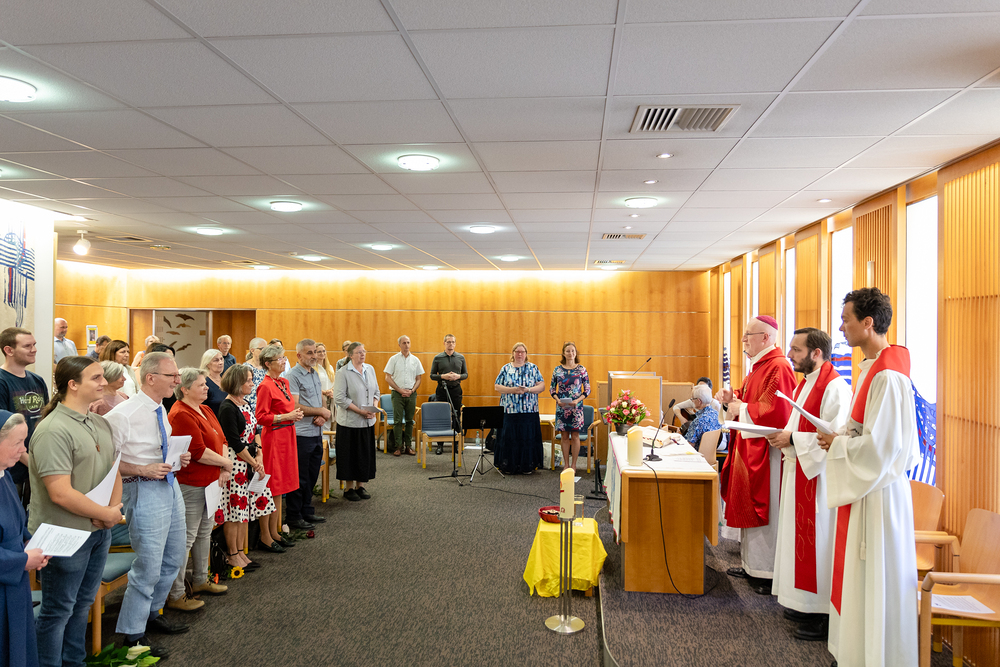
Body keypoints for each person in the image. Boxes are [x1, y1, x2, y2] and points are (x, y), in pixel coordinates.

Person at [817, 288, 919, 667]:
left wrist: (839, 444)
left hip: (879, 493)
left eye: (846, 319)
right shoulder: (873, 368)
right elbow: (865, 433)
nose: (841, 327)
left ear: (868, 322)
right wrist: (841, 437)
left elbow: (883, 448)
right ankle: (857, 653)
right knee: (861, 578)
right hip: (867, 488)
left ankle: (876, 656)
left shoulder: (888, 376)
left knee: (874, 576)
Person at [29, 357, 123, 667]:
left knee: (82, 604)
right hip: (64, 532)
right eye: (96, 378)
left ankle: (74, 662)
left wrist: (111, 511)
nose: (103, 383)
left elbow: (113, 470)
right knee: (58, 610)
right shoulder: (52, 429)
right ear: (72, 385)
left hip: (98, 530)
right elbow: (60, 492)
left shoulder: (99, 422)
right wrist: (104, 514)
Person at [765, 328, 852, 643]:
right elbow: (797, 425)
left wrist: (792, 439)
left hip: (820, 481)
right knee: (797, 542)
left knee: (820, 544)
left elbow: (834, 437)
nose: (790, 355)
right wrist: (784, 437)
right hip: (799, 471)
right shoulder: (807, 383)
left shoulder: (835, 387)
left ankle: (822, 613)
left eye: (796, 350)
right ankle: (803, 602)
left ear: (817, 353)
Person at [104, 352, 192, 657]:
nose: (178, 381)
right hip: (142, 488)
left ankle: (152, 613)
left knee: (175, 555)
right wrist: (142, 468)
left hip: (168, 484)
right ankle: (132, 635)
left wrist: (178, 458)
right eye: (172, 376)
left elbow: (158, 449)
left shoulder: (159, 408)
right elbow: (105, 462)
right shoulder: (122, 414)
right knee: (149, 565)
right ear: (151, 378)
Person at [717, 315, 796, 595]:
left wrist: (741, 407)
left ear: (765, 337)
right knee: (749, 507)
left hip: (767, 452)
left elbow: (776, 411)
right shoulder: (759, 365)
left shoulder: (779, 367)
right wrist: (733, 397)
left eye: (748, 335)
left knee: (765, 511)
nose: (743, 340)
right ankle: (751, 565)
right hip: (750, 446)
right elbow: (750, 396)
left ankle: (767, 572)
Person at [165, 368, 232, 611]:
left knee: (205, 532)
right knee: (186, 538)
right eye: (201, 385)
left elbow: (222, 440)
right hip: (191, 483)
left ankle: (201, 579)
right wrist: (226, 463)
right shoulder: (180, 413)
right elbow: (198, 452)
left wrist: (224, 467)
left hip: (211, 480)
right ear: (184, 389)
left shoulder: (205, 409)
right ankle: (176, 593)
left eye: (206, 384)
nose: (206, 388)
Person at [0, 411, 48, 667]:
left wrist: (29, 542)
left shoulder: (4, 474)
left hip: (15, 583)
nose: (23, 450)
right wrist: (22, 560)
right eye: (17, 442)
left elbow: (16, 520)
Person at [219, 364, 272, 569]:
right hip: (236, 464)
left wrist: (259, 453)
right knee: (235, 512)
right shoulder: (227, 407)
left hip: (250, 460)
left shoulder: (245, 402)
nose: (252, 383)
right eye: (248, 380)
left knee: (244, 512)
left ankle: (242, 552)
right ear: (237, 383)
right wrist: (254, 462)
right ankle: (233, 554)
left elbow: (256, 430)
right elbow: (234, 442)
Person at [255, 344, 303, 551]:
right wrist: (286, 416)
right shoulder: (265, 386)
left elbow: (288, 408)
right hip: (274, 438)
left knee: (281, 487)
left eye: (284, 358)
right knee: (271, 486)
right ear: (268, 364)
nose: (284, 362)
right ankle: (265, 535)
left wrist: (294, 415)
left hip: (287, 435)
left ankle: (275, 531)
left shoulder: (283, 381)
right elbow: (260, 417)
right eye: (280, 359)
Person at [282, 339, 329, 531]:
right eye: (309, 353)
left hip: (316, 431)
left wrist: (322, 414)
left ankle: (306, 509)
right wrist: (320, 411)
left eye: (315, 352)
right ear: (299, 355)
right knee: (300, 477)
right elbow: (293, 405)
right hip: (301, 434)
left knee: (311, 474)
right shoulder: (293, 375)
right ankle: (294, 515)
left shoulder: (314, 373)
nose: (314, 356)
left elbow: (321, 398)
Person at [0, 327, 49, 498]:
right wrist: (32, 464)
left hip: (35, 463)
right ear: (9, 350)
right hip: (11, 469)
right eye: (27, 346)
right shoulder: (2, 381)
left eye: (34, 344)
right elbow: (5, 431)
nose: (34, 349)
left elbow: (46, 419)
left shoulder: (37, 380)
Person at [332, 342, 378, 501]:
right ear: (350, 355)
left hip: (367, 421)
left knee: (364, 455)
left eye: (364, 351)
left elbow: (376, 392)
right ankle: (349, 488)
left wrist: (373, 408)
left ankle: (361, 486)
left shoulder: (370, 369)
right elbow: (339, 398)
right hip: (350, 423)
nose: (362, 354)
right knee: (350, 455)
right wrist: (360, 411)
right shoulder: (343, 372)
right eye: (359, 352)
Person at [493, 342, 544, 475]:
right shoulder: (506, 368)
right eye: (517, 352)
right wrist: (513, 390)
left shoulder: (533, 368)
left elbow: (542, 386)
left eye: (522, 352)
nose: (520, 354)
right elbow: (497, 386)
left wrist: (528, 389)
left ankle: (527, 466)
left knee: (527, 438)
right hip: (509, 410)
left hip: (529, 410)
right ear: (513, 353)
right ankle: (509, 466)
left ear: (526, 354)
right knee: (509, 439)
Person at [549, 342, 590, 471]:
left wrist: (577, 400)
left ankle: (574, 465)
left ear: (576, 353)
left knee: (575, 436)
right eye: (568, 351)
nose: (571, 353)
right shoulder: (557, 370)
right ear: (563, 353)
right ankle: (566, 464)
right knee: (564, 436)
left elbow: (587, 390)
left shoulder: (581, 369)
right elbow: (552, 389)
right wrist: (557, 400)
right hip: (562, 408)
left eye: (573, 351)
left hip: (576, 408)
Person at [383, 335, 423, 457]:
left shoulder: (415, 360)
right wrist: (399, 390)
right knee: (398, 421)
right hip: (397, 394)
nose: (406, 345)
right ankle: (398, 446)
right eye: (404, 343)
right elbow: (387, 377)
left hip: (411, 394)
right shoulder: (393, 359)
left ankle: (408, 446)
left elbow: (419, 379)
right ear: (399, 345)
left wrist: (412, 390)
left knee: (410, 420)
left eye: (408, 342)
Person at [429, 334, 467, 450]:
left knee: (456, 415)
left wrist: (458, 376)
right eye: (448, 342)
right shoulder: (438, 358)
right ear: (444, 343)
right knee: (441, 417)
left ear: (455, 344)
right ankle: (440, 445)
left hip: (456, 390)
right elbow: (432, 375)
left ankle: (456, 444)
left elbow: (465, 374)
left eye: (453, 342)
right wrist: (443, 376)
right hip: (442, 390)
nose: (451, 344)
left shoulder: (460, 357)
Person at [683, 383, 723, 449]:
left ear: (699, 401)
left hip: (697, 454)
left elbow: (689, 446)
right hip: (711, 453)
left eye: (693, 398)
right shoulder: (717, 414)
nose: (692, 401)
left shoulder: (698, 421)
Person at [199, 349, 227, 417]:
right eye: (216, 360)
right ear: (207, 364)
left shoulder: (226, 380)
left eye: (221, 359)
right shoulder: (204, 383)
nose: (220, 362)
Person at [314, 342, 336, 431]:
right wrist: (324, 392)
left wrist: (331, 391)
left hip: (330, 399)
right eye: (319, 352)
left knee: (330, 425)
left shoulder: (330, 367)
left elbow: (334, 383)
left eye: (323, 351)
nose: (322, 353)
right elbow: (313, 385)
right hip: (319, 399)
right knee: (322, 426)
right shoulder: (313, 368)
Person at [244, 337, 267, 416]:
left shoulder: (267, 367)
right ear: (252, 350)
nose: (265, 352)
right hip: (251, 409)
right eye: (262, 349)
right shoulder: (245, 368)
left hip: (265, 409)